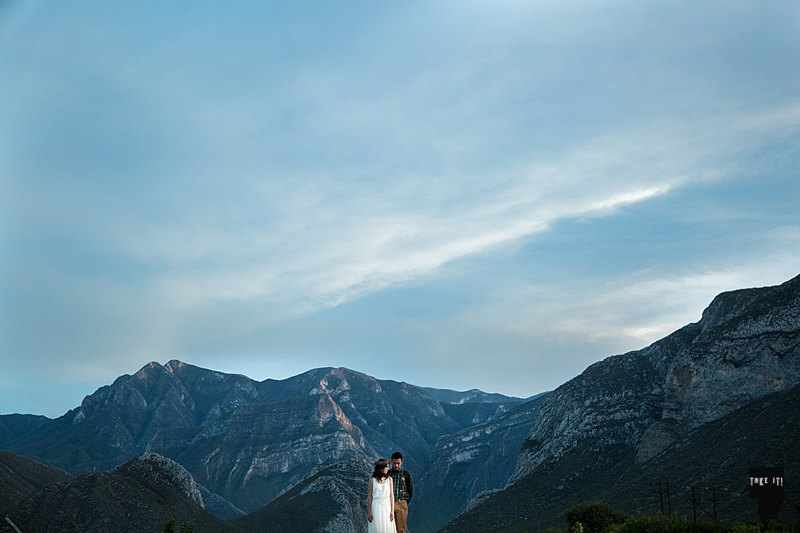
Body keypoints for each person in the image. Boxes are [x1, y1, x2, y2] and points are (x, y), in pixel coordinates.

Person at [367, 458, 396, 533]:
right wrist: (369, 511)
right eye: (386, 467)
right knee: (377, 527)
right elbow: (370, 496)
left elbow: (391, 496)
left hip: (387, 506)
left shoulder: (389, 480)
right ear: (381, 468)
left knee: (387, 527)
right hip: (376, 506)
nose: (388, 469)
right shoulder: (372, 480)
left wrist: (392, 511)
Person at [389, 452, 413, 533]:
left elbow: (410, 490)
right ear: (391, 461)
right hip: (388, 504)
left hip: (401, 502)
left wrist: (404, 503)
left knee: (401, 529)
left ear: (402, 462)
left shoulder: (406, 474)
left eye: (398, 463)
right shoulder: (387, 474)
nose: (396, 465)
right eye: (394, 463)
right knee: (389, 529)